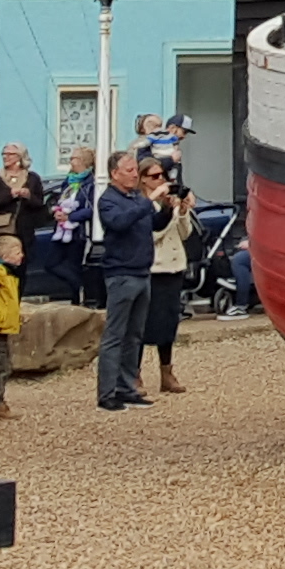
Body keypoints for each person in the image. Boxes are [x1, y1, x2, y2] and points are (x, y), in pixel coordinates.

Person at [89, 154, 174, 406]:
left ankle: (127, 387)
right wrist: (150, 200)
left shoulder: (136, 197)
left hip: (142, 272)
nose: (135, 174)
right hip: (121, 273)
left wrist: (167, 208)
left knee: (134, 335)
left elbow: (153, 225)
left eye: (135, 169)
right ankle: (107, 393)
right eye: (129, 170)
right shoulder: (108, 200)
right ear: (114, 173)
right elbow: (119, 223)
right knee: (115, 334)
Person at [0, 232, 27, 417]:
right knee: (0, 363)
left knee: (2, 362)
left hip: (3, 325)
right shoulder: (2, 270)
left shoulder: (10, 273)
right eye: (17, 252)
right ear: (6, 256)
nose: (21, 255)